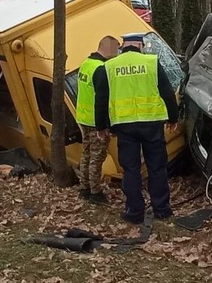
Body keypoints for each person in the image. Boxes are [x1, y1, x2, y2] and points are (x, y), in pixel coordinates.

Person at [94, 33, 179, 224]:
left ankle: (134, 211)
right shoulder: (151, 62)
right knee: (157, 167)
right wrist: (173, 117)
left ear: (124, 46)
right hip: (152, 124)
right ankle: (162, 209)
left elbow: (100, 100)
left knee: (130, 169)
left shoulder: (108, 67)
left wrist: (101, 126)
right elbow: (167, 92)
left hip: (124, 127)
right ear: (140, 45)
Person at [75, 35, 121, 205]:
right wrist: (104, 126)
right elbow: (102, 101)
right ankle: (95, 192)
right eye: (116, 49)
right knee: (97, 156)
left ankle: (85, 187)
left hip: (83, 118)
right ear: (109, 49)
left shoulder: (86, 63)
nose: (117, 54)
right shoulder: (101, 69)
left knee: (86, 153)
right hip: (96, 121)